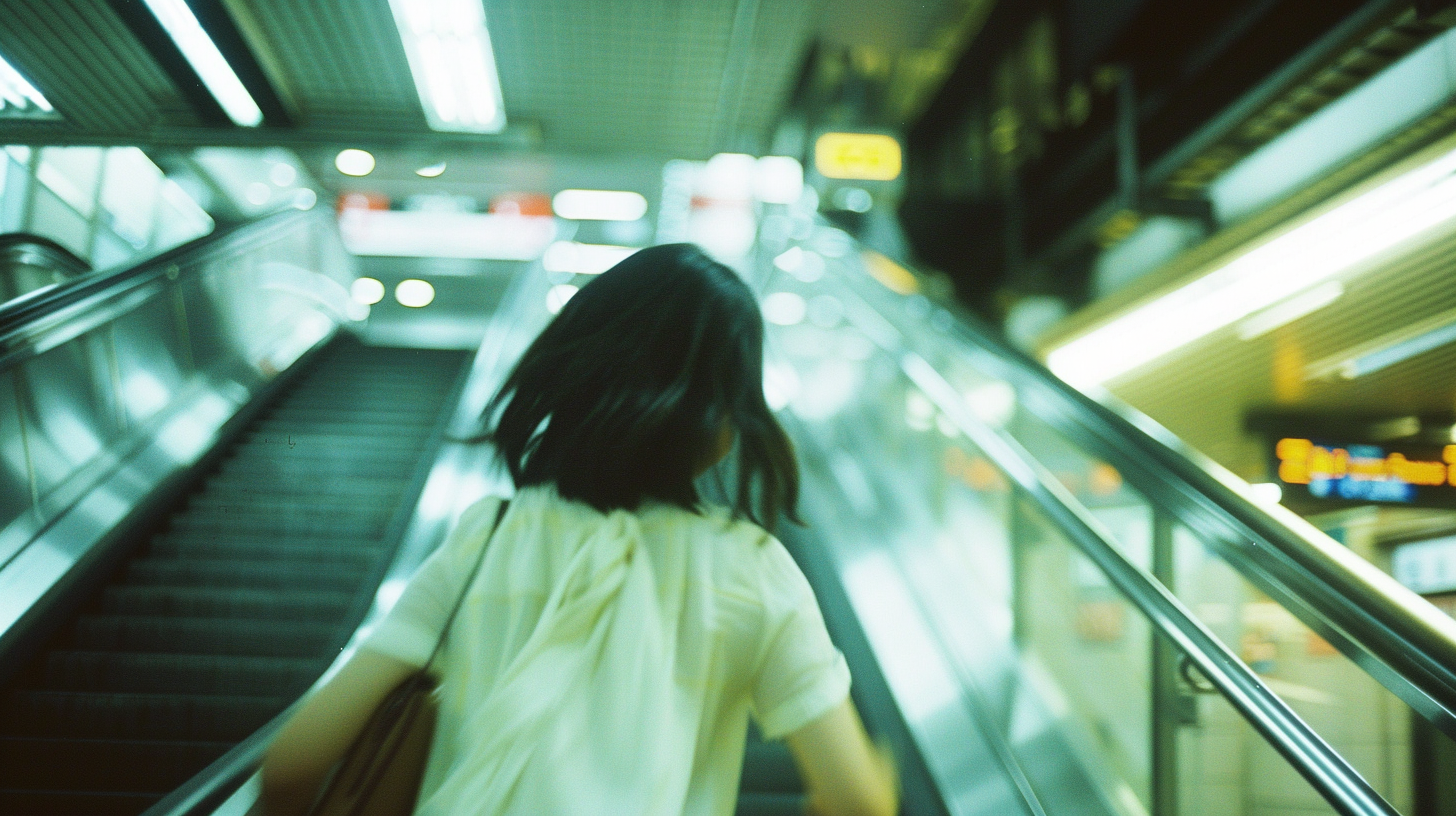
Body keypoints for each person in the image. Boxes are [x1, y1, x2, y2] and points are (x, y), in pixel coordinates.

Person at [259, 243, 897, 816]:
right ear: (723, 414)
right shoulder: (752, 570)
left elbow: (295, 764)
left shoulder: (489, 537)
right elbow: (857, 802)